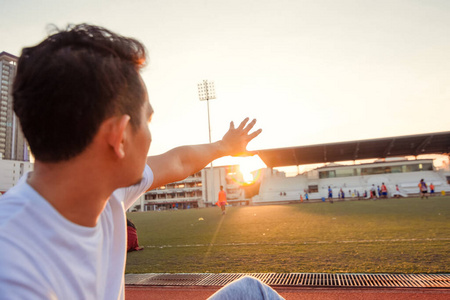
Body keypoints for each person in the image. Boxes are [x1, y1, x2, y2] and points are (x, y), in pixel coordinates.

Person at [0, 24, 283, 300]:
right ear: (119, 136)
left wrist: (224, 146)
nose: (149, 136)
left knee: (251, 291)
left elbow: (178, 161)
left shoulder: (103, 190)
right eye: (148, 121)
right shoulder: (14, 271)